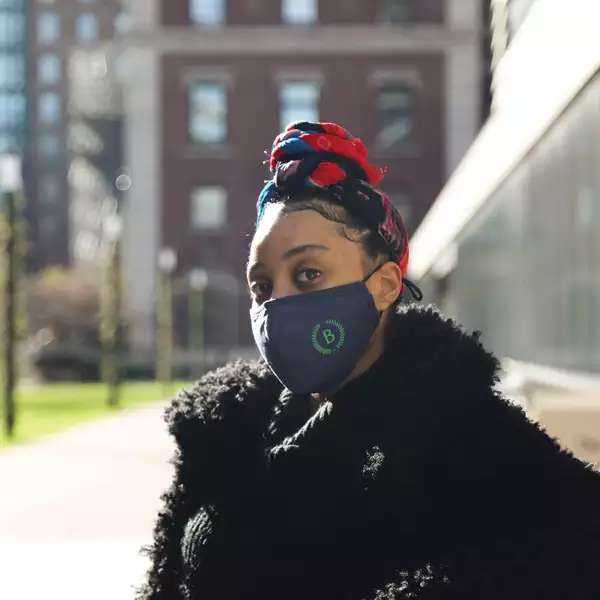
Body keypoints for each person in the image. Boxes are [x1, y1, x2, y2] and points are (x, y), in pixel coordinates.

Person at [135, 121, 600, 600]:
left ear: (384, 286)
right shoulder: (225, 431)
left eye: (308, 273)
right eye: (262, 285)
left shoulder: (468, 436)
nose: (277, 304)